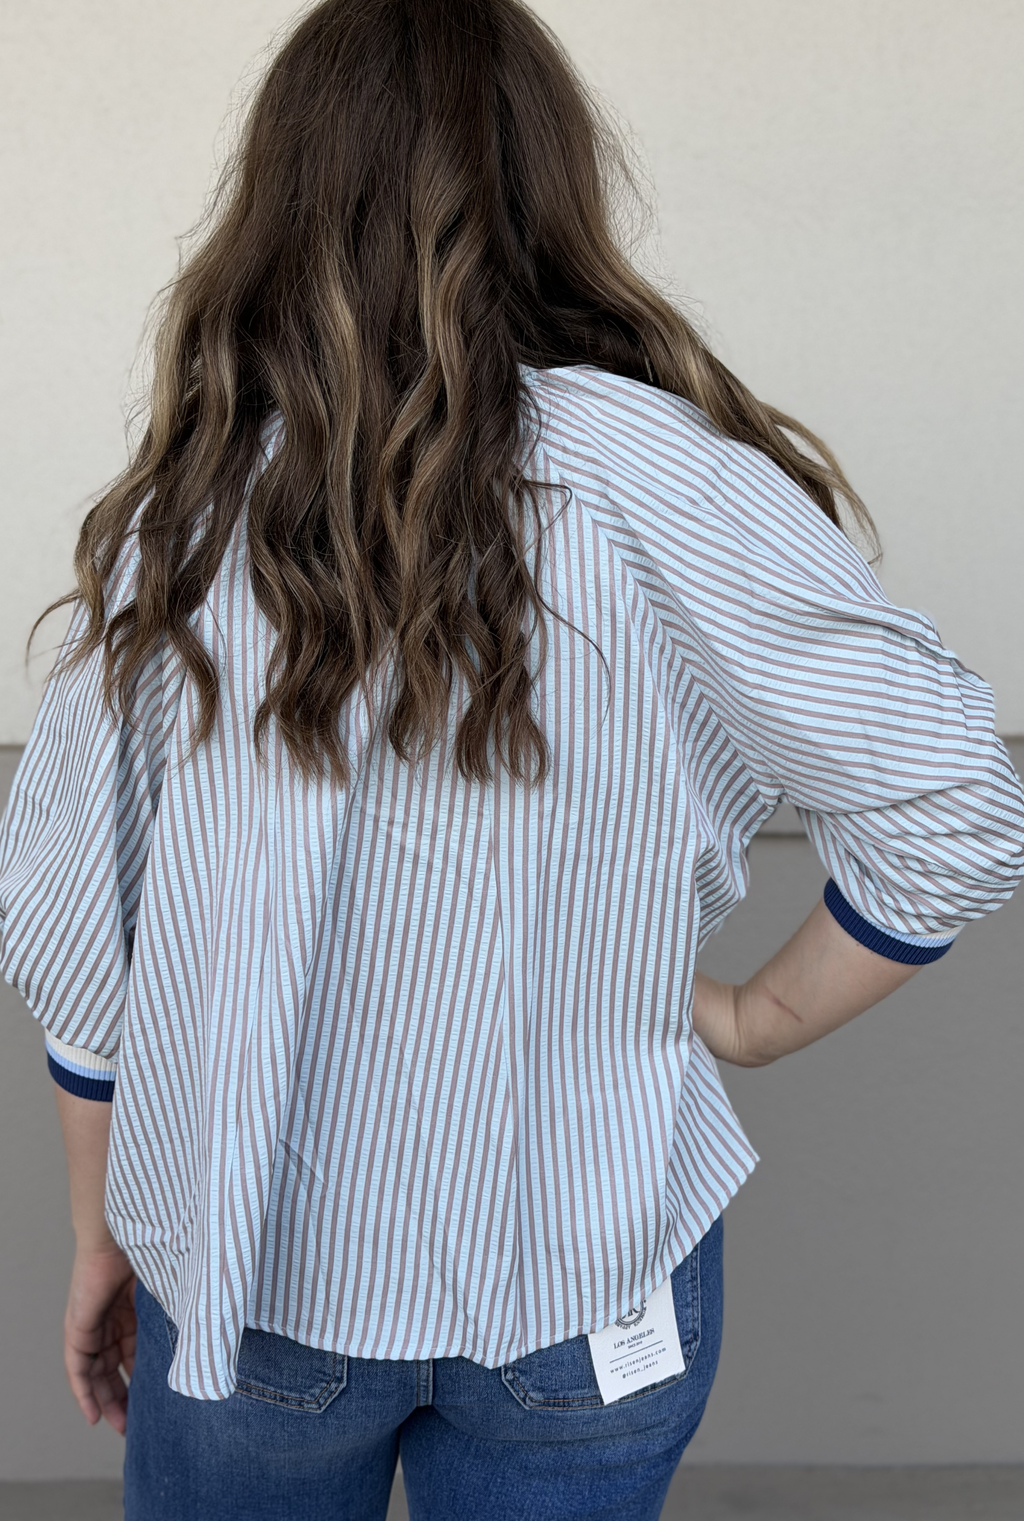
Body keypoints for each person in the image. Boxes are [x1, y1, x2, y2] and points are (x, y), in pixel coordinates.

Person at [1, 1, 1022, 1517]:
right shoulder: (671, 476)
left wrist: (99, 1238)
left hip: (253, 1280)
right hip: (589, 1279)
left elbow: (84, 955)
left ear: (282, 199)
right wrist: (750, 1020)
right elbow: (955, 801)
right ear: (554, 185)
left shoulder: (193, 513)